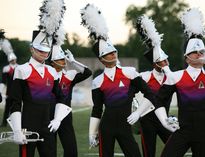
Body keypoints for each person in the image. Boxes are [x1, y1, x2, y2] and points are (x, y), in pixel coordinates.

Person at [154, 8, 205, 157]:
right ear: (186, 57)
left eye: (201, 52)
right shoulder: (175, 77)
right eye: (194, 52)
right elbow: (158, 100)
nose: (199, 54)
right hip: (183, 130)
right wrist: (164, 121)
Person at [81, 4, 157, 157]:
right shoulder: (98, 81)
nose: (113, 54)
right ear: (101, 59)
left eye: (114, 51)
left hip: (125, 126)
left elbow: (150, 94)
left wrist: (139, 113)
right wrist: (91, 133)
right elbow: (97, 109)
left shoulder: (129, 73)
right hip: (106, 128)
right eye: (108, 53)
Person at [7, 1, 71, 157]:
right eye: (39, 49)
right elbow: (15, 102)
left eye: (46, 50)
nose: (43, 53)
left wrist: (57, 120)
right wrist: (16, 130)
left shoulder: (52, 71)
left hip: (48, 126)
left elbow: (61, 97)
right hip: (26, 128)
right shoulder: (21, 70)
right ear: (31, 48)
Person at [135, 15, 173, 157]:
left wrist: (168, 71)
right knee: (148, 153)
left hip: (165, 120)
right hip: (147, 121)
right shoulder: (144, 76)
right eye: (162, 61)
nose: (166, 63)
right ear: (154, 63)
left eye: (166, 60)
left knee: (174, 148)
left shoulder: (172, 76)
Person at [50, 42, 92, 157]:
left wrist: (73, 61)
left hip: (65, 115)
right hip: (48, 116)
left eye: (63, 58)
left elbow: (88, 73)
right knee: (49, 151)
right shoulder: (46, 76)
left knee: (71, 150)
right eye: (60, 59)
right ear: (52, 63)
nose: (63, 61)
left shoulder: (70, 75)